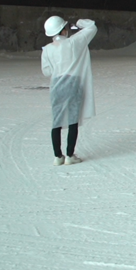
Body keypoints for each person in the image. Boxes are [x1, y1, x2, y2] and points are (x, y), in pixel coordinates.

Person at [41, 16, 97, 166]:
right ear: (64, 29)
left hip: (56, 86)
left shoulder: (47, 49)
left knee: (57, 121)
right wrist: (79, 23)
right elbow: (92, 27)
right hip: (73, 84)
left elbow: (46, 71)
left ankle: (58, 156)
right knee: (73, 120)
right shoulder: (74, 42)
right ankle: (70, 155)